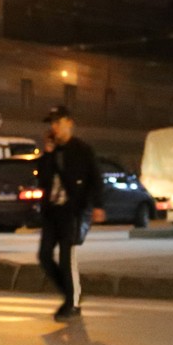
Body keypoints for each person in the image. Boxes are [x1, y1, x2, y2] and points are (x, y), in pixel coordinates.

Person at [34, 107, 105, 321]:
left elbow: (96, 179)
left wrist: (97, 206)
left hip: (71, 211)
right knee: (44, 255)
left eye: (57, 122)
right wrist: (47, 152)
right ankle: (68, 293)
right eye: (51, 123)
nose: (54, 127)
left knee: (67, 258)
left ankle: (72, 303)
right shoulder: (52, 151)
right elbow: (43, 180)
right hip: (51, 211)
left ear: (69, 123)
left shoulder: (82, 149)